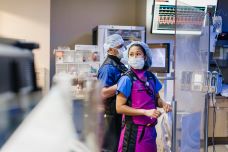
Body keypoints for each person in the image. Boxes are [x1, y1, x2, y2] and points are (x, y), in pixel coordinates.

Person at [116, 41, 172, 152]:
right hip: (134, 133)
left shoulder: (150, 77)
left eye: (138, 54)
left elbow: (157, 99)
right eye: (131, 54)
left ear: (145, 56)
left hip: (150, 131)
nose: (134, 57)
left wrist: (164, 104)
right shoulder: (126, 79)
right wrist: (145, 112)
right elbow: (119, 107)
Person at [97, 34, 128, 152]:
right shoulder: (108, 68)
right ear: (110, 49)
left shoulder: (119, 64)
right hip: (111, 116)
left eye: (122, 46)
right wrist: (123, 84)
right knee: (111, 148)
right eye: (119, 46)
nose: (123, 49)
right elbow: (103, 93)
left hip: (119, 114)